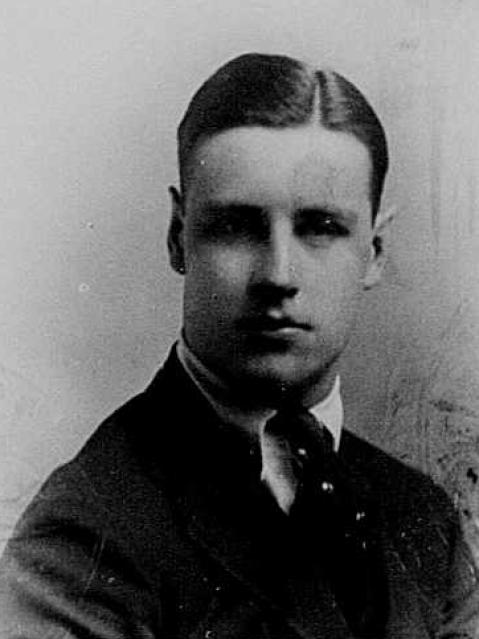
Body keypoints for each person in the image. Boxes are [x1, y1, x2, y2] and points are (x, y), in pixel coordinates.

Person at [0, 52, 478, 639]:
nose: (278, 274)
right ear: (178, 237)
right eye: (235, 227)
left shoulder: (425, 520)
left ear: (375, 251)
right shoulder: (82, 537)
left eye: (321, 228)